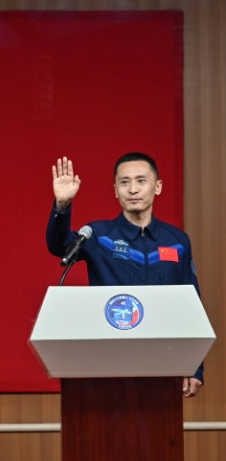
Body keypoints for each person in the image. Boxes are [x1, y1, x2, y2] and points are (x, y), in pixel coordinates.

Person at [46, 153, 203, 398]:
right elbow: (59, 246)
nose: (133, 189)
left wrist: (196, 367)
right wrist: (62, 206)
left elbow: (192, 305)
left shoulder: (177, 241)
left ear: (157, 187)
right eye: (124, 182)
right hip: (106, 361)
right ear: (115, 190)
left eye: (141, 181)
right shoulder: (97, 235)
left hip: (163, 361)